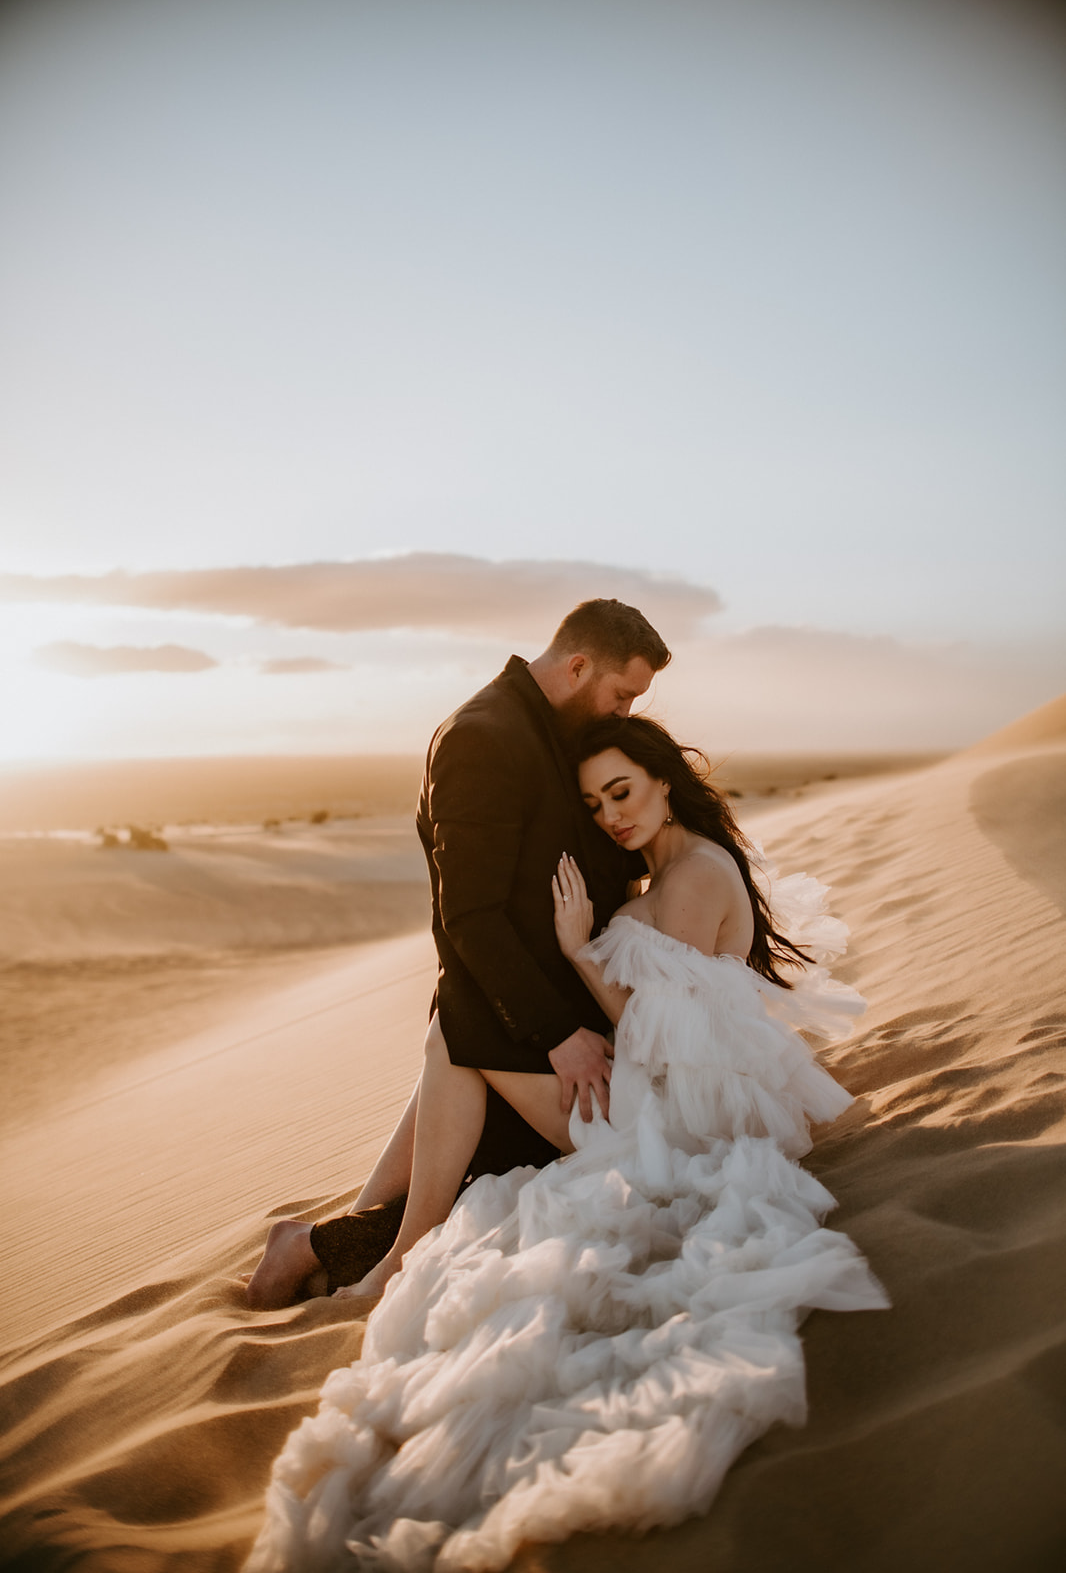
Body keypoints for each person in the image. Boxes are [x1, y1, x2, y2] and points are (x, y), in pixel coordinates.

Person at [246, 718, 889, 1571]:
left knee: (458, 1032)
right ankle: (356, 1232)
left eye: (623, 792)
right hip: (652, 1093)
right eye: (596, 803)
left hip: (659, 1112)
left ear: (664, 779)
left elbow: (662, 1033)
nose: (612, 814)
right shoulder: (662, 865)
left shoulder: (695, 874)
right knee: (457, 1031)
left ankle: (383, 1245)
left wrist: (580, 952)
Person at [244, 599, 671, 1308]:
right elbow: (468, 915)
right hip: (510, 1023)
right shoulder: (484, 736)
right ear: (576, 666)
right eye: (621, 695)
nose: (622, 713)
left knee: (486, 1185)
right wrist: (556, 1034)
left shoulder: (552, 729)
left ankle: (319, 1251)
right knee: (497, 1188)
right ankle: (309, 1251)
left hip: (544, 1012)